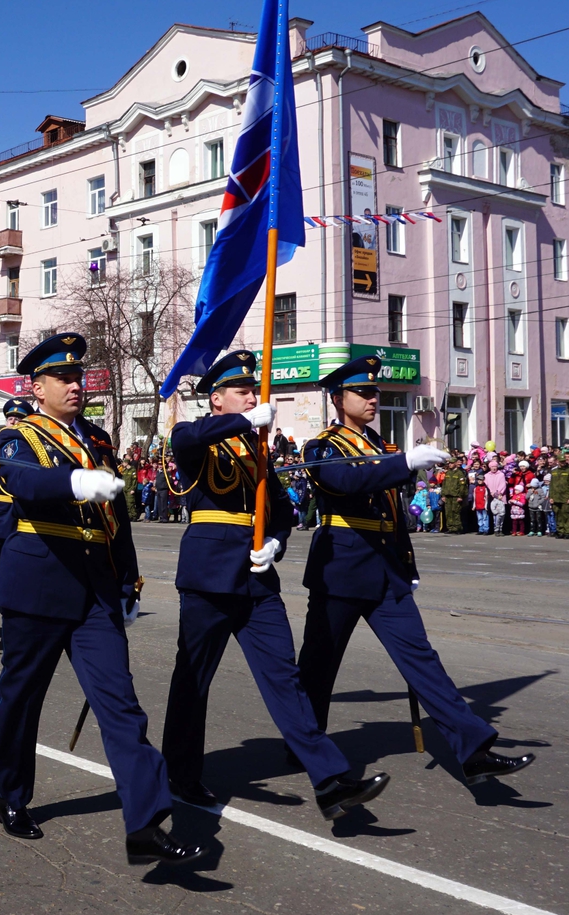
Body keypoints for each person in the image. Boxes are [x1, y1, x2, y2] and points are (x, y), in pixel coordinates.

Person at [0, 333, 201, 866]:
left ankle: (145, 824)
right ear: (37, 388)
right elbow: (24, 485)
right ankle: (11, 794)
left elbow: (117, 521)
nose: (76, 385)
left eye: (79, 376)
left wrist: (128, 581)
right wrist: (76, 482)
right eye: (63, 378)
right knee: (22, 697)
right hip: (39, 580)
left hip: (96, 588)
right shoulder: (18, 437)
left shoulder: (99, 440)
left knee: (121, 706)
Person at [160, 350, 389, 821]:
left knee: (286, 677)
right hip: (208, 576)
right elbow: (188, 436)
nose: (252, 396)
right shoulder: (199, 438)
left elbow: (282, 513)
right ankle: (180, 775)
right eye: (242, 391)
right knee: (192, 681)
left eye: (254, 390)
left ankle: (328, 780)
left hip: (257, 578)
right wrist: (245, 423)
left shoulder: (257, 449)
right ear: (217, 399)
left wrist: (277, 544)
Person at [296, 355, 535, 790]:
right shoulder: (322, 447)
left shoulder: (381, 446)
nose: (373, 399)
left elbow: (392, 514)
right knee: (318, 667)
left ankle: (473, 750)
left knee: (423, 662)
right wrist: (404, 461)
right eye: (363, 393)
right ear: (337, 399)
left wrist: (408, 565)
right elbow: (346, 484)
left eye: (375, 393)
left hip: (387, 573)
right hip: (341, 571)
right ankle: (307, 745)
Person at [0, 397, 33, 618]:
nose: (13, 422)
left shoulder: (32, 451)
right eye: (10, 418)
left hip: (25, 521)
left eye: (18, 419)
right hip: (1, 519)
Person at [549, 457, 569, 539]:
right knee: (558, 515)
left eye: (564, 461)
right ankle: (560, 532)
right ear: (557, 461)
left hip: (566, 497)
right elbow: (551, 486)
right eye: (561, 461)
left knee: (567, 516)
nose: (562, 463)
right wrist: (551, 497)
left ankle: (568, 532)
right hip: (556, 498)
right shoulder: (554, 472)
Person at [439, 460, 466, 533]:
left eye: (451, 463)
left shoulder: (459, 473)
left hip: (456, 495)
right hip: (448, 495)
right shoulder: (448, 472)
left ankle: (457, 528)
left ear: (455, 464)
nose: (450, 465)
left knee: (455, 512)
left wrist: (460, 496)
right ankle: (450, 528)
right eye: (449, 463)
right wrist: (443, 495)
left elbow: (462, 485)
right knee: (448, 512)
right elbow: (444, 484)